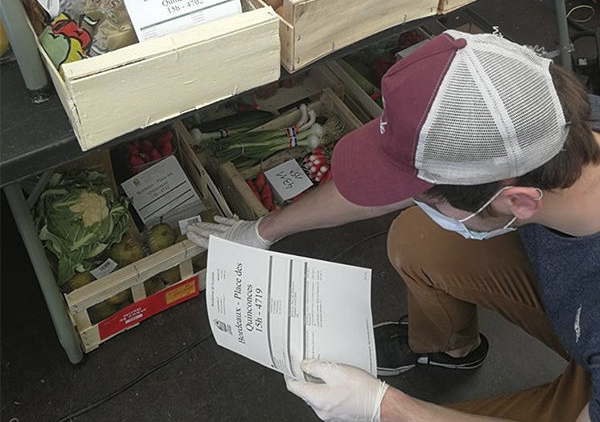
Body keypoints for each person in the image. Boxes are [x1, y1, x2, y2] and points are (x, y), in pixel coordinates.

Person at [186, 30, 600, 422]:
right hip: (581, 318)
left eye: (425, 195)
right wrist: (263, 230)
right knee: (420, 240)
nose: (412, 199)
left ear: (518, 201)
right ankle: (452, 348)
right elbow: (398, 186)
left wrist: (384, 407)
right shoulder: (550, 130)